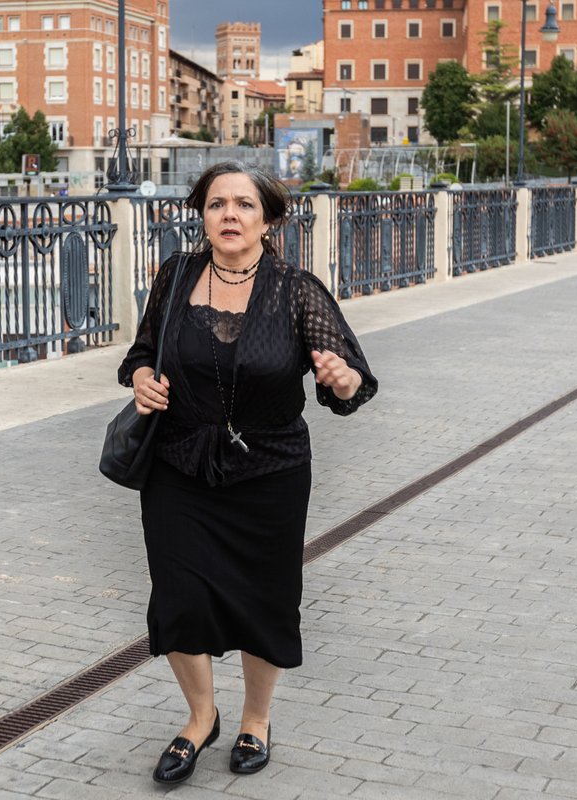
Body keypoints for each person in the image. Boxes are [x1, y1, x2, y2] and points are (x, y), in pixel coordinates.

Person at [118, 161, 377, 784]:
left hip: (271, 471)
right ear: (202, 214)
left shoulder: (296, 289)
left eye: (243, 205)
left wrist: (341, 380)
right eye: (216, 204)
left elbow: (354, 382)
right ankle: (200, 717)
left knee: (267, 599)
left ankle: (255, 720)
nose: (229, 215)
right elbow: (142, 352)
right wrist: (143, 380)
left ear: (269, 219)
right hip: (179, 464)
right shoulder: (176, 275)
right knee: (179, 598)